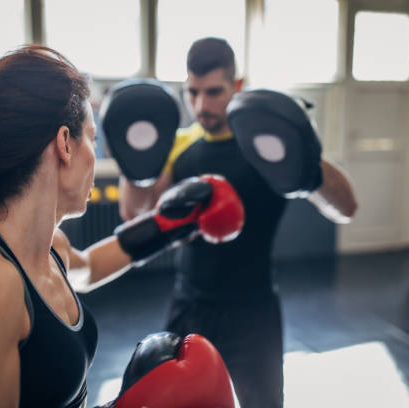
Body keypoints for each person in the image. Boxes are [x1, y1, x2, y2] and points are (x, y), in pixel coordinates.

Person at [0, 45, 242, 408]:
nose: (96, 154)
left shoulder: (48, 248)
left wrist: (172, 223)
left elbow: (88, 268)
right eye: (92, 139)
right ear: (65, 144)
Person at [118, 37, 358, 407]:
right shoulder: (180, 146)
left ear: (238, 86)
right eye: (192, 93)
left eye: (214, 92)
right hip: (189, 303)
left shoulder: (268, 146)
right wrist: (136, 164)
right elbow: (135, 215)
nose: (201, 106)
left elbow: (345, 208)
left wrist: (304, 148)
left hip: (254, 310)